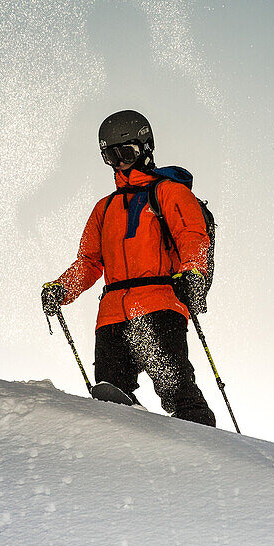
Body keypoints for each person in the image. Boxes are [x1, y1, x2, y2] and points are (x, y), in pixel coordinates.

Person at [41, 110, 216, 427]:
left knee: (173, 383)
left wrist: (193, 271)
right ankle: (130, 442)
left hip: (158, 303)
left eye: (127, 153)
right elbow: (89, 261)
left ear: (146, 148)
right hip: (110, 314)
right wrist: (62, 288)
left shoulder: (169, 192)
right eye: (111, 156)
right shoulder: (104, 208)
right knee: (110, 391)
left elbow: (192, 235)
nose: (120, 163)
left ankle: (201, 438)